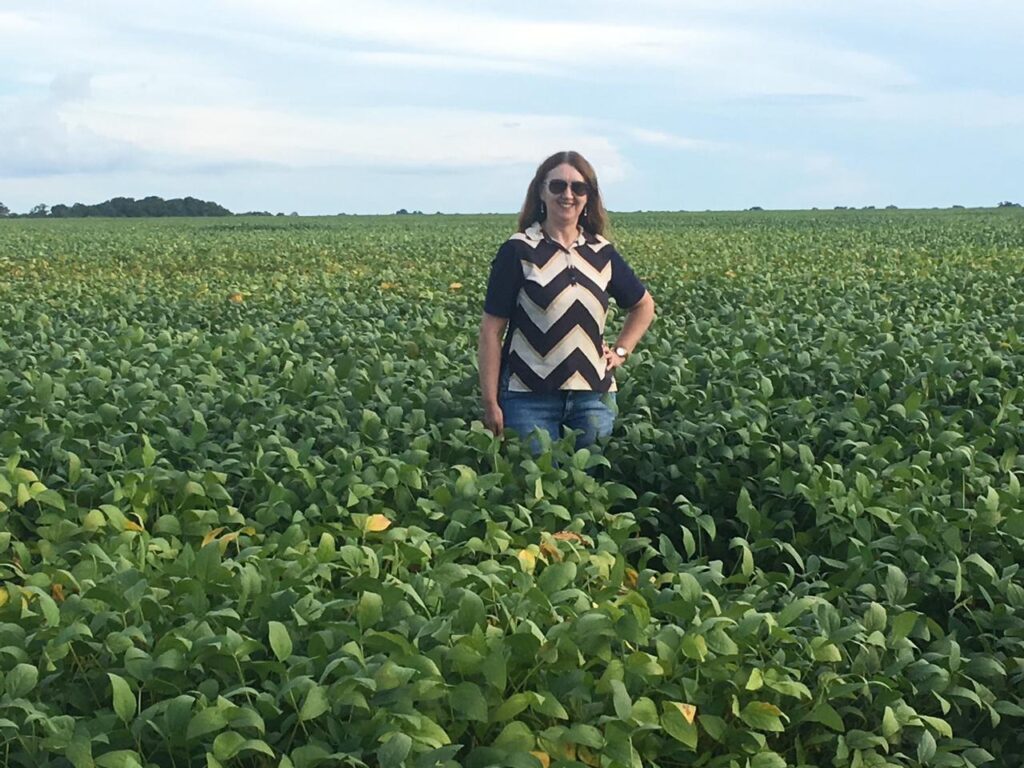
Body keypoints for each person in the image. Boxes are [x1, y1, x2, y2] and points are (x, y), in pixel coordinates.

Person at [478, 150, 655, 449]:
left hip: (593, 399)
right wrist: (490, 401)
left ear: (588, 197)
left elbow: (643, 305)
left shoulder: (601, 252)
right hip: (527, 398)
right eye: (558, 186)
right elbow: (490, 331)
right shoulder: (519, 250)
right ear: (541, 192)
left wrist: (622, 351)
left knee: (589, 488)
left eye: (578, 187)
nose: (568, 194)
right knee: (536, 489)